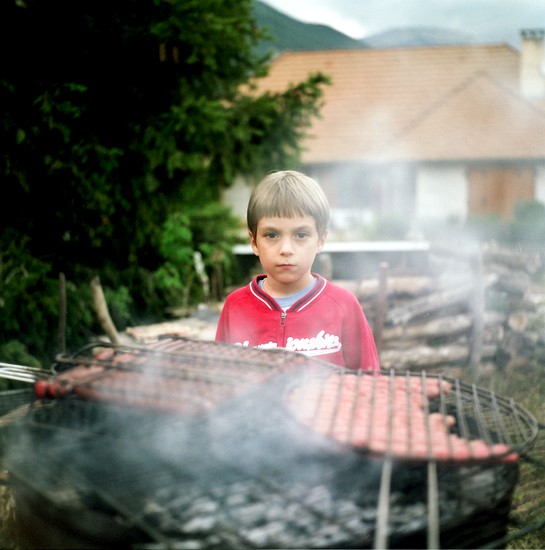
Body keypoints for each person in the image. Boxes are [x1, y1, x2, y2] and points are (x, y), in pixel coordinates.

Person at [215, 170, 380, 373]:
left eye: (301, 234)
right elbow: (220, 384)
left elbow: (371, 385)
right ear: (254, 242)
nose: (286, 249)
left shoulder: (344, 305)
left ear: (321, 240)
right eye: (272, 234)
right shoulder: (235, 307)